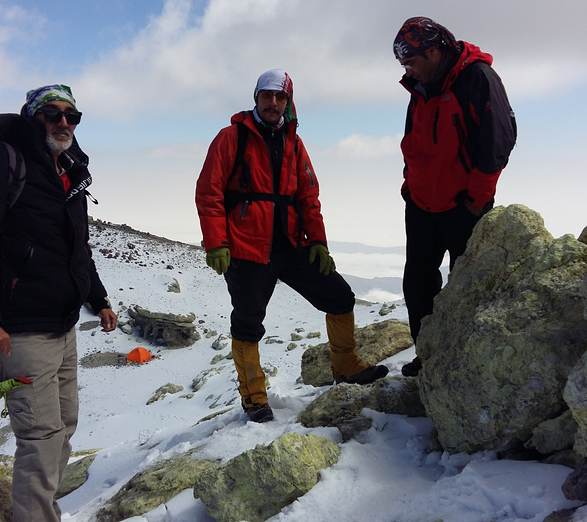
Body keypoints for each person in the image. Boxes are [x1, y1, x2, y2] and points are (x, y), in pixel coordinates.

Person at [0, 84, 118, 522]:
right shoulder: (1, 160)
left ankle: (40, 512)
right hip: (19, 331)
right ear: (31, 118)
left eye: (71, 116)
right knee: (40, 438)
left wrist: (98, 300)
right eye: (51, 114)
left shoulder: (70, 171)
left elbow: (77, 247)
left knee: (63, 430)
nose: (63, 123)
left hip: (62, 326)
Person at [195, 69, 389, 423]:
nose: (272, 103)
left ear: (288, 101)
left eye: (280, 97)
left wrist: (318, 241)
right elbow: (209, 192)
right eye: (266, 95)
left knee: (340, 297)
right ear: (256, 98)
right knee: (248, 323)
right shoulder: (231, 137)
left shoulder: (294, 143)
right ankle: (254, 397)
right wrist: (216, 242)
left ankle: (345, 366)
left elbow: (308, 196)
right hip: (247, 247)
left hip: (289, 243)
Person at [393, 18, 516, 377]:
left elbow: (499, 140)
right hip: (421, 203)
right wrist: (408, 186)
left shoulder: (478, 78)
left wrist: (476, 200)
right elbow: (411, 141)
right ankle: (428, 355)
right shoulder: (420, 85)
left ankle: (467, 361)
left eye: (411, 61)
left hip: (464, 205)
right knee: (417, 283)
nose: (407, 70)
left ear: (433, 51)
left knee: (466, 285)